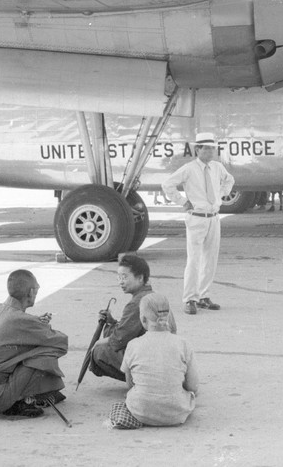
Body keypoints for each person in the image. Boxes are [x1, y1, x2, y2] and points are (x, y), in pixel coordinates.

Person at [0, 269, 68, 418]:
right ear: (31, 292)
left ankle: (28, 394)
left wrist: (35, 323)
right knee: (45, 352)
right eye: (36, 290)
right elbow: (61, 342)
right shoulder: (20, 320)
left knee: (27, 349)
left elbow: (11, 326)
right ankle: (23, 400)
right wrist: (42, 328)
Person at [162, 132, 235, 315]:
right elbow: (168, 184)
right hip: (196, 218)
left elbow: (229, 180)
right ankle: (189, 299)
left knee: (210, 259)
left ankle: (203, 296)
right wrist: (182, 202)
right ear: (198, 149)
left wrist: (221, 194)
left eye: (212, 148)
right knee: (194, 260)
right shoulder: (189, 169)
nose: (210, 151)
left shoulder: (217, 167)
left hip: (213, 217)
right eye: (206, 148)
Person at [108, 293, 199, 429]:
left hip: (140, 412)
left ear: (143, 320)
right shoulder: (183, 344)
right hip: (176, 414)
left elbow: (130, 384)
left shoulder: (133, 345)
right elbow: (193, 387)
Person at [90, 254, 176, 381]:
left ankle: (140, 381)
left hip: (152, 360)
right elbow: (128, 330)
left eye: (124, 277)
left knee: (99, 351)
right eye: (119, 277)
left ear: (140, 278)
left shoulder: (137, 303)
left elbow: (118, 340)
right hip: (167, 358)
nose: (121, 282)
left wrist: (96, 344)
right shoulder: (154, 296)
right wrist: (112, 322)